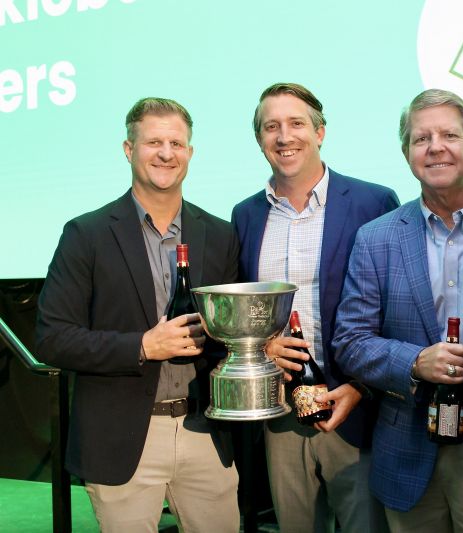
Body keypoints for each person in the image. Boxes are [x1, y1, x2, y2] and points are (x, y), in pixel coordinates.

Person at [35, 97, 240, 532]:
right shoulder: (85, 234)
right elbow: (53, 337)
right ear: (129, 150)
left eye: (176, 143)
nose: (166, 153)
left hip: (205, 431)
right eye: (153, 142)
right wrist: (143, 346)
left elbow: (231, 333)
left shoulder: (219, 234)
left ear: (190, 152)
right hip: (121, 438)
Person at [333, 88, 463, 532]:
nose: (435, 147)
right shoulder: (376, 238)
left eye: (449, 135)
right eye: (421, 139)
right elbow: (350, 341)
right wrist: (415, 361)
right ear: (406, 153)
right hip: (407, 445)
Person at [232, 82, 399, 533]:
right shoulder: (245, 215)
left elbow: (393, 308)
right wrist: (260, 349)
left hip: (355, 406)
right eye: (271, 127)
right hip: (281, 412)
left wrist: (363, 387)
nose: (284, 136)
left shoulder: (373, 202)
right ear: (260, 139)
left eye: (296, 124)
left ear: (320, 132)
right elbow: (243, 315)